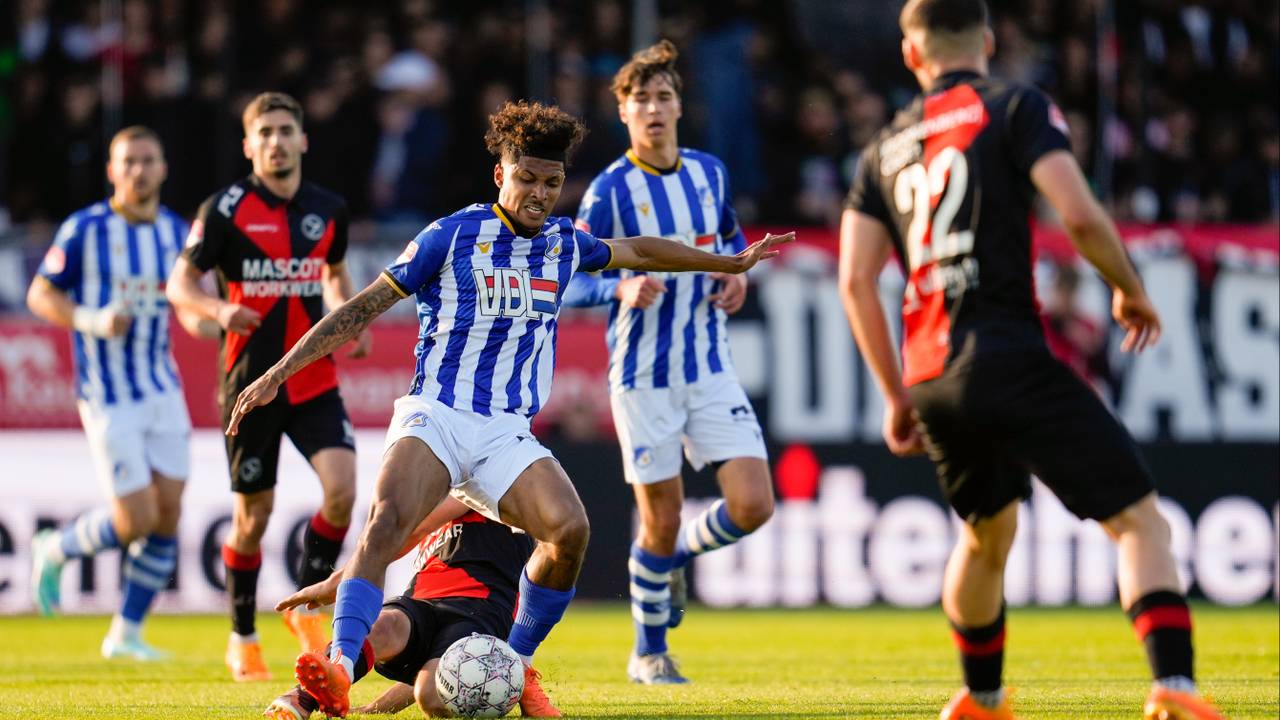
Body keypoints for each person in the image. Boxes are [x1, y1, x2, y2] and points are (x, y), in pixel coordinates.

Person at [225, 100, 792, 718]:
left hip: (504, 433)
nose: (539, 194)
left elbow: (643, 251)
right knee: (386, 518)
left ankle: (513, 664)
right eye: (528, 178)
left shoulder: (565, 243)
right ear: (501, 173)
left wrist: (728, 261)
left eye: (552, 182)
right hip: (438, 412)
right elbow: (360, 308)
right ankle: (335, 667)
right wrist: (280, 372)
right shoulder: (451, 234)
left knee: (568, 530)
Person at [837, 2, 1223, 719]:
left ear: (910, 54)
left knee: (985, 537)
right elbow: (1076, 213)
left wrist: (895, 395)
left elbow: (856, 280)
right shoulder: (1015, 106)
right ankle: (1174, 691)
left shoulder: (882, 149)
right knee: (1141, 522)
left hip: (932, 377)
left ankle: (981, 699)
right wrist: (1129, 289)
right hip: (1007, 352)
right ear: (986, 41)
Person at [562, 40, 774, 684]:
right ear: (623, 114)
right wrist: (617, 286)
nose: (653, 109)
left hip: (708, 363)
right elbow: (569, 275)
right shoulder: (609, 190)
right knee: (658, 517)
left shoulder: (709, 171)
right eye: (639, 100)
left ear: (680, 107)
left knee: (754, 504)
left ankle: (678, 555)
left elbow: (727, 239)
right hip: (642, 375)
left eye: (662, 97)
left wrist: (737, 276)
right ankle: (649, 651)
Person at [166, 91, 372, 681]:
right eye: (266, 133)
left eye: (286, 130)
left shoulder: (329, 209)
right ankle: (242, 634)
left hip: (314, 378)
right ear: (249, 144)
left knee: (342, 490)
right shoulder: (225, 209)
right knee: (252, 518)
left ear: (303, 140)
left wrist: (348, 317)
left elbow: (334, 275)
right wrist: (216, 309)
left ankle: (306, 605)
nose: (277, 142)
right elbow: (180, 284)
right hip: (250, 385)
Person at [28, 125, 210, 660]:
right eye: (127, 161)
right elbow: (41, 292)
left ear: (163, 169)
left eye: (147, 160)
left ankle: (125, 635)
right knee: (135, 519)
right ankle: (56, 547)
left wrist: (216, 324)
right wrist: (90, 318)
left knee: (169, 514)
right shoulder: (84, 229)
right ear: (112, 170)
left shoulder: (177, 232)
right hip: (108, 392)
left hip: (162, 387)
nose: (138, 170)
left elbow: (188, 306)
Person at [263, 496, 535, 720]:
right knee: (381, 625)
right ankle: (302, 698)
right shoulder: (433, 487)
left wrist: (341, 578)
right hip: (422, 602)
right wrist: (376, 708)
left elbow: (402, 535)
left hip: (479, 611)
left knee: (430, 695)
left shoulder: (490, 477)